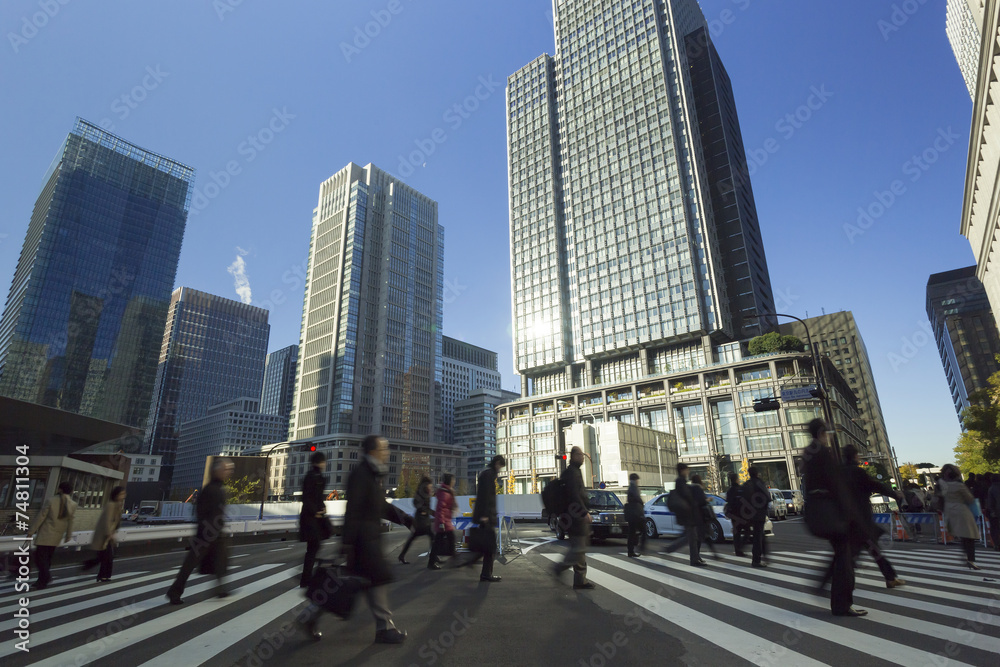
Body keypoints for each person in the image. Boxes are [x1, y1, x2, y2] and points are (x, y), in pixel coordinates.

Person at [301, 435, 412, 643]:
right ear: (373, 451)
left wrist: (405, 518)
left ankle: (309, 616)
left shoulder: (371, 473)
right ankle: (384, 628)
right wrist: (347, 543)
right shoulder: (361, 474)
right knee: (374, 580)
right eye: (384, 449)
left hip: (367, 540)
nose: (387, 453)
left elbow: (381, 506)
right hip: (363, 541)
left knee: (355, 583)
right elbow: (352, 511)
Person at [802, 419, 867, 617]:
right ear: (822, 432)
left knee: (841, 553)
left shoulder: (808, 453)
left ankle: (825, 587)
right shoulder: (823, 452)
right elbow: (836, 484)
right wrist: (851, 513)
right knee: (845, 557)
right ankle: (842, 604)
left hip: (815, 510)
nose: (830, 436)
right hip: (830, 512)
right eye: (828, 432)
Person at [826, 445, 905, 589]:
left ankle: (890, 577)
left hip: (847, 519)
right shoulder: (857, 472)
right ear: (854, 456)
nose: (859, 458)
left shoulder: (839, 473)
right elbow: (875, 485)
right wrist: (894, 494)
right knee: (860, 552)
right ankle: (830, 580)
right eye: (858, 455)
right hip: (860, 520)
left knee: (864, 551)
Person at [167, 457, 233, 604]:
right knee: (190, 565)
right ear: (217, 471)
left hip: (214, 533)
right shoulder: (211, 489)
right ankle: (174, 591)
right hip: (206, 535)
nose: (227, 472)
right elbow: (202, 511)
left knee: (220, 562)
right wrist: (208, 529)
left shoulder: (216, 488)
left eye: (229, 470)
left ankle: (220, 589)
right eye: (225, 469)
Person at [553, 446, 594, 588]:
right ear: (574, 455)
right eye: (581, 455)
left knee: (580, 547)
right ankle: (560, 567)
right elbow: (574, 495)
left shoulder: (574, 471)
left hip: (574, 516)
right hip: (575, 516)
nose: (583, 457)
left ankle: (580, 580)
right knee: (578, 548)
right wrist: (583, 512)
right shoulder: (572, 473)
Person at [28, 481, 77, 590]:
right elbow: (71, 521)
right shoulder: (73, 504)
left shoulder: (51, 500)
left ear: (60, 489)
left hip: (46, 534)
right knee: (47, 558)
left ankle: (45, 577)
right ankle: (42, 581)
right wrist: (68, 535)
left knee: (39, 558)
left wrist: (31, 531)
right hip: (57, 535)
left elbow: (41, 516)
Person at [466, 455, 506, 581]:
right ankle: (485, 573)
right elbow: (486, 497)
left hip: (485, 515)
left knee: (487, 545)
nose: (500, 469)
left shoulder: (487, 474)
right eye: (500, 466)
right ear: (497, 463)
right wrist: (485, 515)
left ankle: (478, 566)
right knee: (491, 546)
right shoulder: (489, 476)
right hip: (486, 516)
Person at [662, 463, 705, 566]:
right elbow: (686, 496)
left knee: (690, 536)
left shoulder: (681, 481)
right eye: (687, 470)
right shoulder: (680, 481)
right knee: (691, 537)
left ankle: (692, 557)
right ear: (682, 470)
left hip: (687, 513)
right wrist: (694, 502)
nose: (688, 472)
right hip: (687, 513)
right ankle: (693, 559)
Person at [940, 464, 981, 569]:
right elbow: (969, 498)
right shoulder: (959, 486)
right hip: (961, 510)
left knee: (963, 536)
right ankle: (971, 559)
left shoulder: (941, 485)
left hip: (949, 511)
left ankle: (967, 557)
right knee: (970, 535)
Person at [81, 486, 126, 582]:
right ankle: (100, 573)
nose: (123, 496)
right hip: (104, 535)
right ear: (116, 494)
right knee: (106, 556)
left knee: (105, 556)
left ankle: (98, 572)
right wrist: (109, 533)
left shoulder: (118, 505)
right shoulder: (111, 505)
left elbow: (116, 521)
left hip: (108, 534)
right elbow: (107, 521)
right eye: (121, 494)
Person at [299, 451, 330, 587]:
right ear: (319, 462)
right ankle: (306, 578)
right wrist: (316, 512)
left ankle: (307, 577)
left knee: (313, 547)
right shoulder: (313, 477)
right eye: (323, 461)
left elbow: (315, 497)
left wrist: (322, 508)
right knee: (313, 547)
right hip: (311, 518)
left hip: (313, 517)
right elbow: (308, 498)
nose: (324, 464)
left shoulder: (315, 477)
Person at [398, 476, 433, 565]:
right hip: (421, 520)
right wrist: (423, 511)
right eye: (430, 484)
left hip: (423, 520)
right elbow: (415, 502)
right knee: (432, 536)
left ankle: (401, 555)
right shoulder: (421, 492)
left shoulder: (425, 492)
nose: (431, 486)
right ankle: (434, 557)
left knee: (414, 537)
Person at [740, 467, 770, 568]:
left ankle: (758, 557)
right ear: (757, 473)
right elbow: (767, 497)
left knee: (756, 536)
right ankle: (757, 560)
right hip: (759, 513)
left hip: (748, 514)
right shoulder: (759, 483)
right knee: (759, 536)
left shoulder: (746, 484)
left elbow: (742, 499)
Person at [428, 473, 458, 570]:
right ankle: (454, 560)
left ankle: (453, 559)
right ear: (449, 481)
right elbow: (440, 509)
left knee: (445, 540)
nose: (454, 481)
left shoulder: (447, 491)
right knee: (442, 541)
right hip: (443, 522)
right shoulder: (445, 493)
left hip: (445, 521)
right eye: (453, 480)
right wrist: (441, 523)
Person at [689, 474, 719, 560]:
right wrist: (708, 500)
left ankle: (711, 554)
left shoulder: (690, 489)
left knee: (704, 536)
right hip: (701, 516)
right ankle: (697, 556)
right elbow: (701, 501)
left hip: (695, 516)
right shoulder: (698, 488)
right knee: (702, 536)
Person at [724, 473, 747, 557]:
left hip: (733, 515)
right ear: (737, 479)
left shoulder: (730, 491)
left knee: (736, 533)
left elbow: (728, 502)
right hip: (742, 514)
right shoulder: (740, 489)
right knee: (747, 531)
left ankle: (738, 550)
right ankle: (740, 548)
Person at [626, 473, 644, 558]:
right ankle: (640, 547)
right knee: (642, 529)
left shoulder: (630, 487)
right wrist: (641, 503)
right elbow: (637, 497)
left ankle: (631, 551)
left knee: (632, 532)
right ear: (635, 480)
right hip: (635, 512)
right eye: (637, 480)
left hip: (631, 512)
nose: (638, 481)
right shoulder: (633, 487)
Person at [987, 472, 1000, 551]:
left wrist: (992, 511)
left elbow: (991, 502)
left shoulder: (991, 488)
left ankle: (997, 544)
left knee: (994, 528)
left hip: (996, 511)